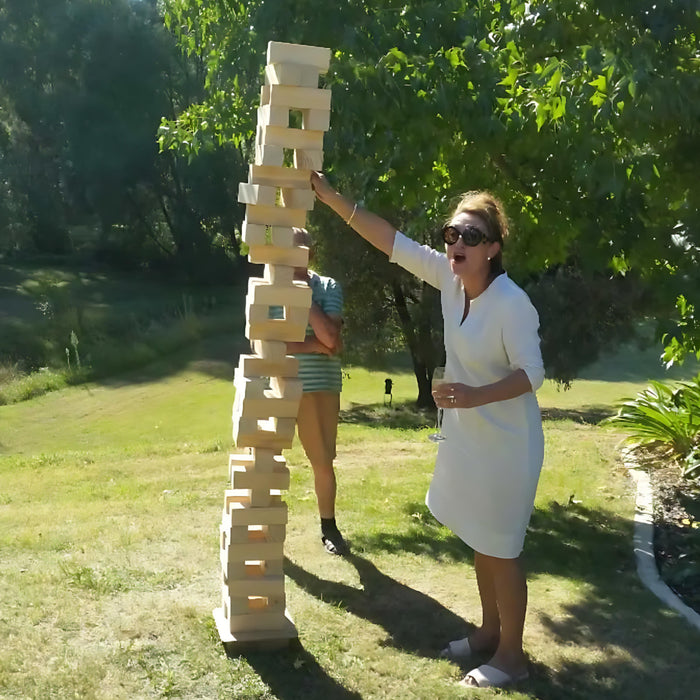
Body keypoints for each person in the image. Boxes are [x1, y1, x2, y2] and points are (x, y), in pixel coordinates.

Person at [310, 172, 545, 689]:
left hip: (509, 445)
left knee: (502, 548)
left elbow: (533, 374)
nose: (457, 243)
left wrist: (474, 395)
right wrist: (331, 198)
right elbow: (390, 241)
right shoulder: (448, 279)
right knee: (482, 541)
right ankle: (487, 634)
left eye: (471, 237)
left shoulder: (511, 302)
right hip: (471, 439)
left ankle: (511, 657)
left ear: (493, 249)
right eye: (451, 234)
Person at [286, 227, 348, 556]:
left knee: (323, 460)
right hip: (286, 382)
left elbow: (333, 341)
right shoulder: (271, 290)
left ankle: (329, 527)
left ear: (310, 254)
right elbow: (268, 343)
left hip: (322, 385)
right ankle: (260, 526)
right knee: (268, 456)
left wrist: (305, 299)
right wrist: (313, 344)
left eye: (300, 252)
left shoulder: (328, 287)